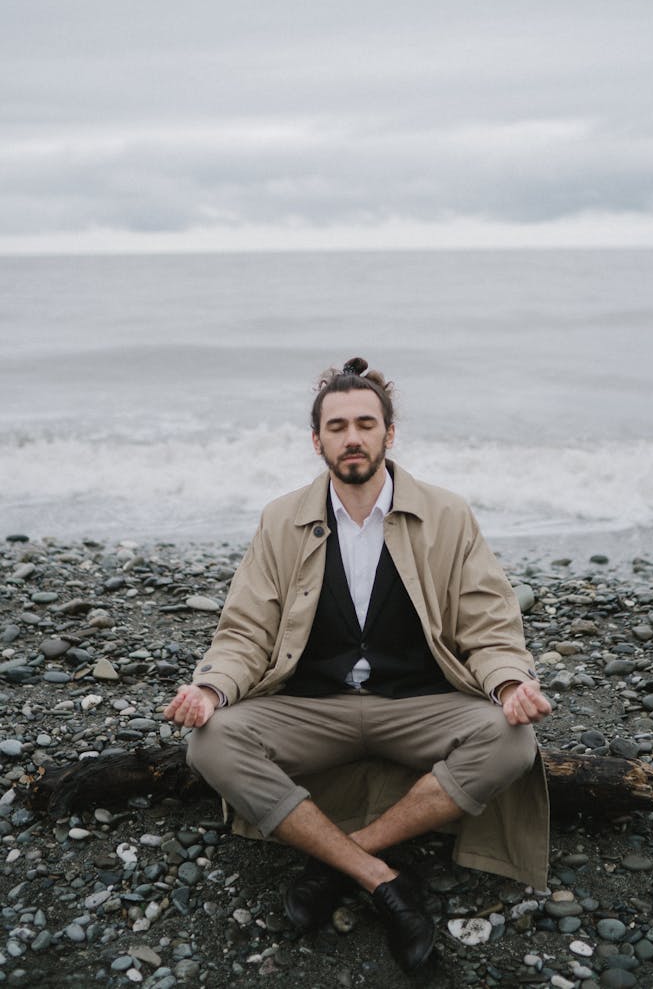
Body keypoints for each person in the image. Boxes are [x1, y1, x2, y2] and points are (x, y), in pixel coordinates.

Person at [164, 357, 551, 971]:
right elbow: (245, 630)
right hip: (313, 705)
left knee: (511, 742)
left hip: (417, 703)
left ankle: (336, 862)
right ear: (316, 440)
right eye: (337, 426)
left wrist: (509, 683)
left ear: (388, 434)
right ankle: (376, 874)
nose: (352, 438)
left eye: (366, 424)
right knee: (210, 744)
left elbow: (489, 622)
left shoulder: (447, 515)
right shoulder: (281, 519)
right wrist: (211, 689)